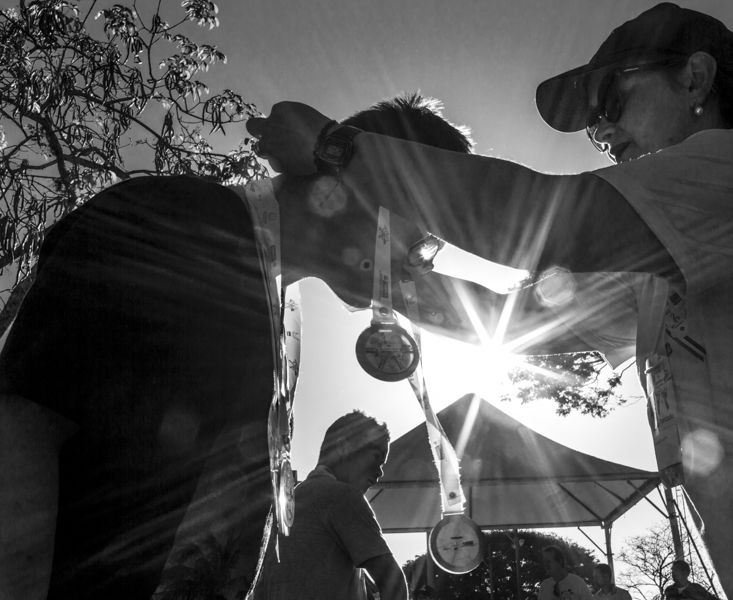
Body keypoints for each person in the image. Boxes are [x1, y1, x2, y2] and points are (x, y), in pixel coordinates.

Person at [246, 3, 733, 598]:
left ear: (696, 80)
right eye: (594, 126)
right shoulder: (660, 271)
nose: (606, 132)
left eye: (613, 101)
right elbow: (515, 322)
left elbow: (559, 223)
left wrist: (338, 148)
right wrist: (375, 277)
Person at [0, 93, 471, 600]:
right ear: (367, 191)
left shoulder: (277, 312)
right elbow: (22, 423)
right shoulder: (176, 217)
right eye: (425, 238)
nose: (419, 263)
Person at [255, 411, 406, 600]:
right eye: (376, 457)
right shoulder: (342, 496)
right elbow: (395, 585)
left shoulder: (287, 506)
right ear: (343, 447)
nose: (380, 472)